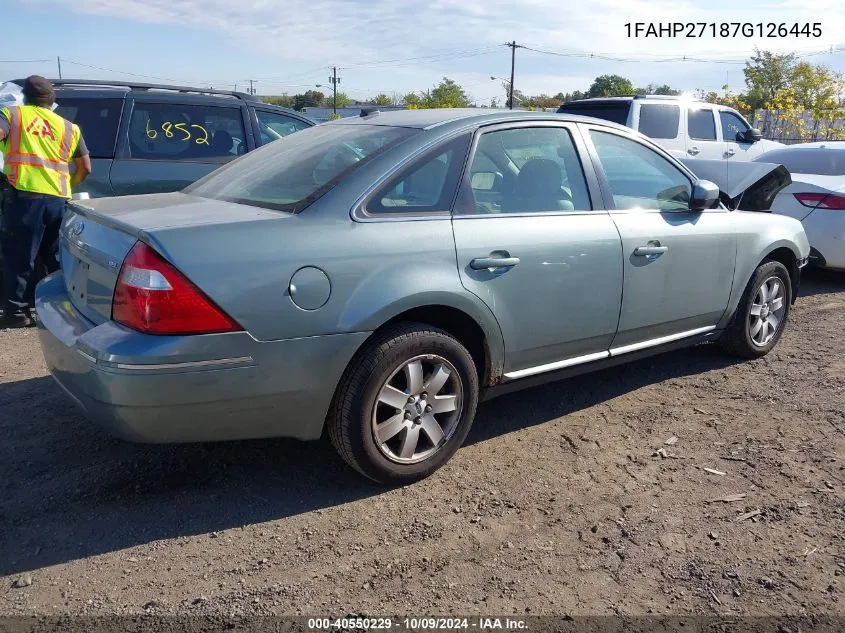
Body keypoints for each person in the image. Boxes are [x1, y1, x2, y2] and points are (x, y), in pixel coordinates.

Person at [0, 76, 91, 328]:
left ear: (25, 96)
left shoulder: (13, 115)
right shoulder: (69, 127)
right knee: (55, 258)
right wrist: (66, 187)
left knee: (20, 257)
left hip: (24, 198)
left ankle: (17, 313)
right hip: (57, 201)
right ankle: (59, 309)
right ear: (52, 101)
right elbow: (85, 168)